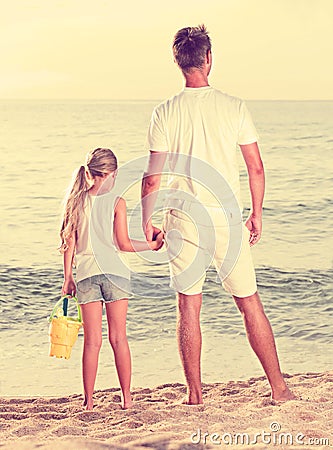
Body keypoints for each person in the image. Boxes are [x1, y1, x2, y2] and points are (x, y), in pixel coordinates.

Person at [141, 25, 294, 405]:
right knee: (249, 303)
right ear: (208, 58)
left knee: (189, 306)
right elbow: (255, 167)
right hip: (226, 217)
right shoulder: (234, 106)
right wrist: (257, 213)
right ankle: (279, 389)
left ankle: (195, 397)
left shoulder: (165, 112)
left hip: (183, 218)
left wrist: (146, 220)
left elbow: (151, 179)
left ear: (178, 62)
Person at [60, 147, 163, 410]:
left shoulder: (75, 201)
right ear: (114, 174)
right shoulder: (117, 202)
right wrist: (151, 246)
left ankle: (88, 402)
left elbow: (69, 244)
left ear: (90, 173)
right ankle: (127, 399)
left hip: (85, 275)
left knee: (92, 342)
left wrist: (68, 278)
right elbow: (124, 244)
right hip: (115, 273)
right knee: (119, 338)